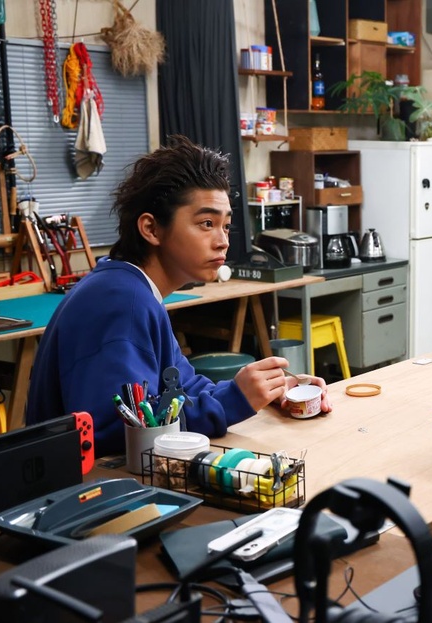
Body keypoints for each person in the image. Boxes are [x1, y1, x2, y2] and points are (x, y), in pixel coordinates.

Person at [26, 136, 330, 456]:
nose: (222, 241)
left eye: (226, 226)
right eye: (206, 223)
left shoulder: (135, 291)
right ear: (152, 229)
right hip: (85, 494)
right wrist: (234, 402)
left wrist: (267, 391)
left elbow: (182, 391)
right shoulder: (120, 303)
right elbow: (119, 433)